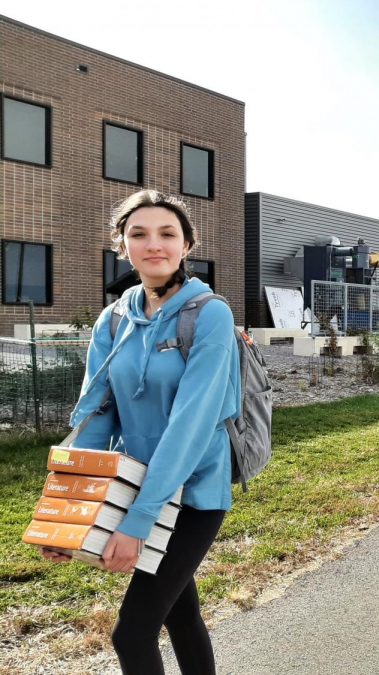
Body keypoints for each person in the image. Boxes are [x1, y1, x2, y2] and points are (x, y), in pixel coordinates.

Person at [40, 189, 240, 675]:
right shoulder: (113, 319)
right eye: (139, 234)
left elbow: (190, 426)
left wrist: (138, 523)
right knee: (180, 614)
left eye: (168, 234)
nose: (155, 244)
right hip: (136, 483)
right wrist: (69, 514)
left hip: (193, 491)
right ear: (121, 246)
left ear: (187, 246)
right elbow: (99, 415)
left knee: (131, 633)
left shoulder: (210, 314)